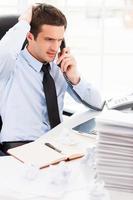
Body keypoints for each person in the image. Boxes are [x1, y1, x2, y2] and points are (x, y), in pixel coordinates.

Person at [0, 3, 104, 154]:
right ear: (29, 36)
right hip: (20, 146)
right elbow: (5, 52)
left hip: (56, 144)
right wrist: (24, 22)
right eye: (49, 39)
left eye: (59, 40)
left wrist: (75, 78)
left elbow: (97, 103)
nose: (55, 48)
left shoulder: (58, 69)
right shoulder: (10, 66)